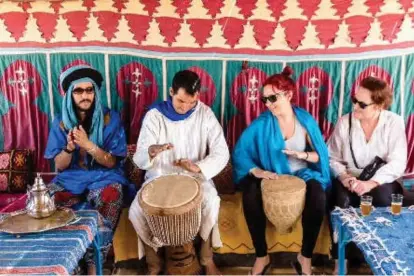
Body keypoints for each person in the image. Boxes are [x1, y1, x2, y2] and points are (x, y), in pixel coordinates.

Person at [128, 70, 229, 275]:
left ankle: (206, 258)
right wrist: (151, 151)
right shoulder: (154, 116)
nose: (185, 107)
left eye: (191, 103)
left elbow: (221, 152)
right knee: (136, 212)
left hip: (194, 178)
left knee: (211, 201)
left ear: (197, 97)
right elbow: (139, 157)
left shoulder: (205, 113)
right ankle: (154, 263)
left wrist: (198, 167)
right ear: (171, 92)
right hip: (159, 177)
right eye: (180, 101)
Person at [232, 66, 331, 275]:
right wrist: (256, 171)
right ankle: (262, 256)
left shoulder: (304, 121)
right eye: (265, 100)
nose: (269, 104)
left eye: (273, 98)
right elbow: (240, 152)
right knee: (250, 193)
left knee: (319, 197)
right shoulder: (262, 124)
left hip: (303, 174)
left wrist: (301, 156)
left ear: (289, 94)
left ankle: (304, 257)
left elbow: (319, 156)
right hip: (272, 174)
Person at [44, 65, 128, 275]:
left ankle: (94, 264)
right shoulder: (61, 123)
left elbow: (111, 162)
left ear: (95, 92)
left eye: (89, 90)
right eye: (78, 91)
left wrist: (89, 145)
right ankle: (68, 260)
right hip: (70, 179)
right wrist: (69, 148)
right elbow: (59, 166)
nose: (84, 96)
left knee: (112, 193)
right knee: (49, 197)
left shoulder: (111, 118)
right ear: (70, 94)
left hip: (104, 177)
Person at [328, 76, 407, 274]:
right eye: (354, 100)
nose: (355, 107)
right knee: (339, 200)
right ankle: (341, 259)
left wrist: (371, 183)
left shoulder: (394, 122)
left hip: (380, 179)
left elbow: (397, 162)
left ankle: (380, 258)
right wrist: (344, 176)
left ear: (378, 106)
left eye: (362, 104)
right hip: (348, 178)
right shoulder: (345, 123)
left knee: (380, 198)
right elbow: (331, 157)